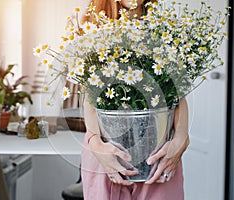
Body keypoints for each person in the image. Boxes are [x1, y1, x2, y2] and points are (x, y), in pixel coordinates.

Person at [80, 0, 190, 199]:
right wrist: (95, 141)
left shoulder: (165, 27)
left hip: (159, 153)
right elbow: (90, 95)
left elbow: (177, 92)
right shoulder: (94, 26)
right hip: (107, 153)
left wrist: (181, 137)